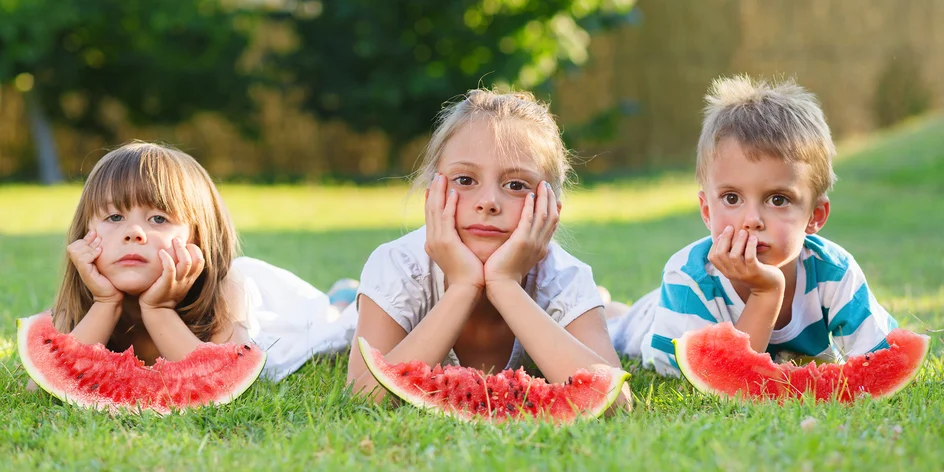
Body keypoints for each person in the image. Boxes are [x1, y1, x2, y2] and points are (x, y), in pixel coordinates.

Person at [345, 89, 629, 407]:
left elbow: (615, 400)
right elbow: (365, 394)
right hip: (362, 308)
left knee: (616, 318)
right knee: (336, 320)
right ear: (431, 199)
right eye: (465, 180)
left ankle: (607, 304)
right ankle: (344, 296)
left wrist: (504, 284)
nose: (488, 203)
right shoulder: (398, 266)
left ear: (550, 212)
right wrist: (464, 285)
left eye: (516, 185)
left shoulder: (563, 277)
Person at [605, 76, 899, 376]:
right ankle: (607, 306)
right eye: (732, 198)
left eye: (778, 199)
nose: (752, 220)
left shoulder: (834, 274)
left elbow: (880, 358)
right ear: (707, 211)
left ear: (815, 216)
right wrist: (765, 292)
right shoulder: (687, 280)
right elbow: (721, 381)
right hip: (655, 316)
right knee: (616, 324)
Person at [41, 141, 354, 385]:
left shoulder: (226, 288)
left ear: (199, 238)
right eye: (114, 216)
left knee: (330, 325)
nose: (134, 232)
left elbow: (224, 380)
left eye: (158, 218)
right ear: (85, 232)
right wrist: (105, 302)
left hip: (269, 318)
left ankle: (342, 297)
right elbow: (42, 385)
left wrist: (158, 310)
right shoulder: (83, 292)